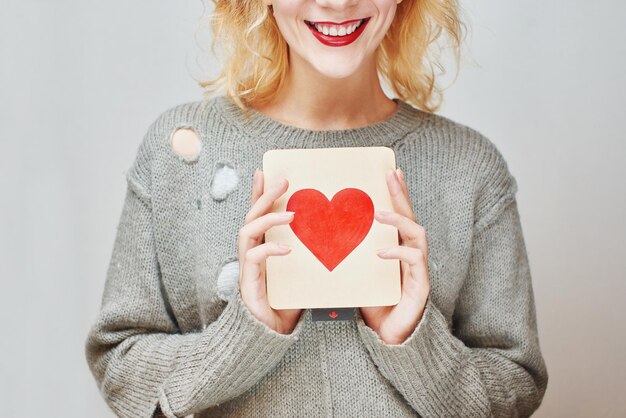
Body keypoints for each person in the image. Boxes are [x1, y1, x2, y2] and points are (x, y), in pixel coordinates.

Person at [85, 0, 549, 416]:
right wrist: (246, 334)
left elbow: (516, 385)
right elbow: (120, 365)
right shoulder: (180, 153)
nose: (338, 2)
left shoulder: (469, 165)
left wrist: (411, 342)